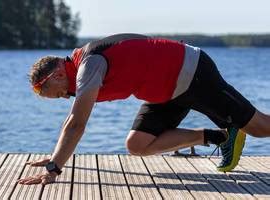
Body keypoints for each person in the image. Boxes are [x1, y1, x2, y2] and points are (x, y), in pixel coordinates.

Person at [17, 33, 270, 185]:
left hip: (192, 73)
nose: (64, 97)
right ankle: (222, 135)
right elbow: (71, 119)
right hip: (166, 92)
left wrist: (54, 170)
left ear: (59, 74)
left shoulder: (89, 65)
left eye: (59, 93)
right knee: (137, 144)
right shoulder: (80, 69)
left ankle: (236, 127)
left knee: (261, 127)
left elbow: (77, 124)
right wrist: (54, 158)